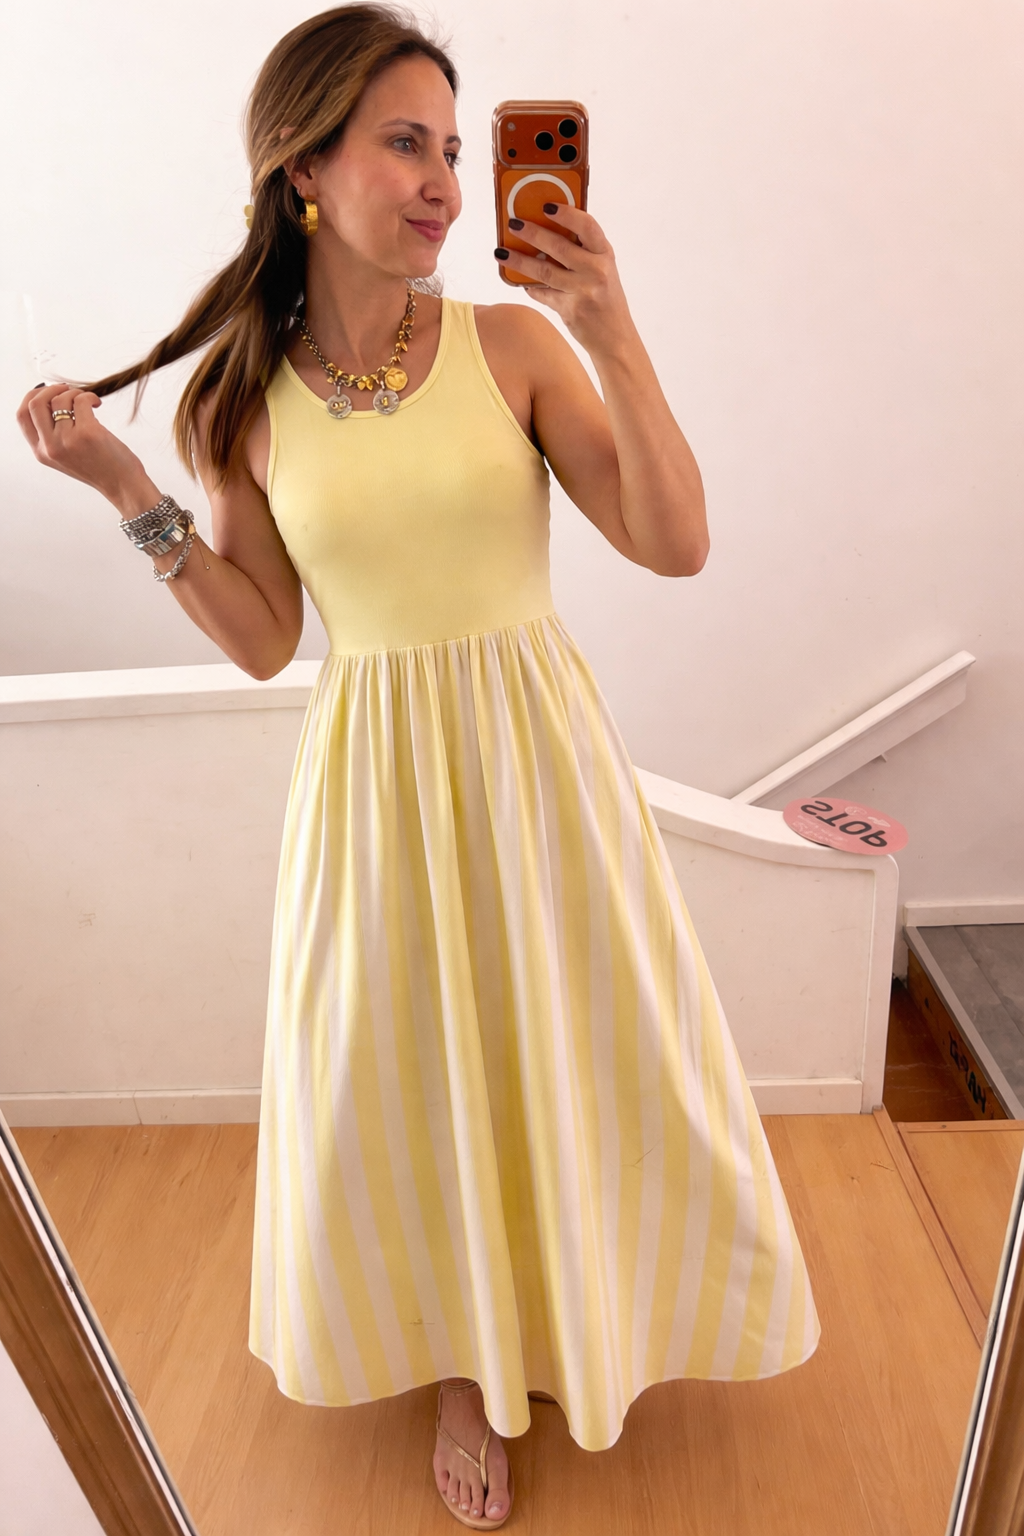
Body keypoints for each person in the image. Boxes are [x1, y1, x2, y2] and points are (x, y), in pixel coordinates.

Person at [17, 6, 819, 1528]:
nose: (449, 181)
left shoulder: (511, 344)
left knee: (576, 1045)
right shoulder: (237, 401)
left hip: (539, 763)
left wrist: (610, 326)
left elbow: (677, 544)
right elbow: (266, 640)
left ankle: (582, 1312)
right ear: (303, 169)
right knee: (411, 1072)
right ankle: (463, 1362)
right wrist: (126, 487)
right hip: (374, 781)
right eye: (407, 143)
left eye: (454, 146)